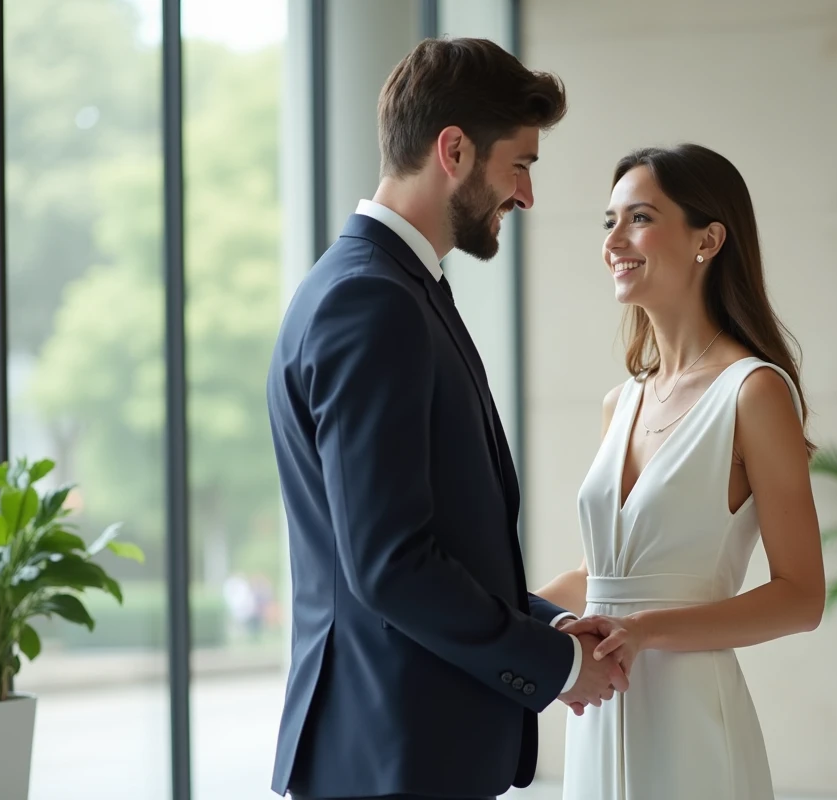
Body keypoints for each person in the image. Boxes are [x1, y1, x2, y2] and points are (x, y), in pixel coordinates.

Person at [266, 38, 627, 800]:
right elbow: (389, 564)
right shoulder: (371, 302)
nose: (527, 194)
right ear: (454, 150)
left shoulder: (397, 290)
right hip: (392, 755)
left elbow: (424, 544)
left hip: (406, 749)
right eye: (521, 163)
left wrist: (544, 628)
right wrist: (554, 668)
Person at [534, 144, 827, 799]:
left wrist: (644, 632)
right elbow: (603, 576)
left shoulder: (754, 393)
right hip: (599, 708)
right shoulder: (623, 401)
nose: (614, 240)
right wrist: (507, 616)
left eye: (638, 217)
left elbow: (802, 597)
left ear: (709, 239)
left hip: (691, 722)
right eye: (607, 221)